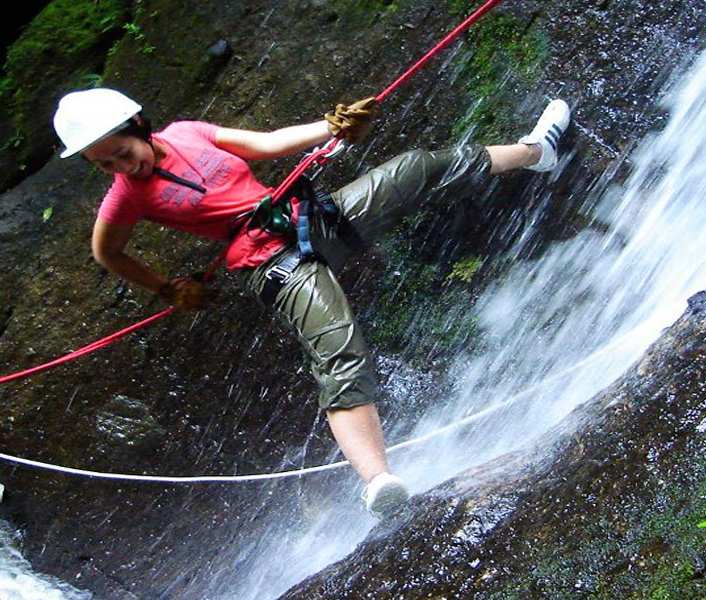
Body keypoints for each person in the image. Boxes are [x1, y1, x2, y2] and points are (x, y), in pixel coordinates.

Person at [52, 87, 570, 517]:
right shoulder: (127, 196)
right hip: (269, 263)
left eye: (123, 152)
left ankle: (534, 153)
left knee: (414, 167)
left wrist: (331, 128)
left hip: (311, 219)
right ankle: (378, 482)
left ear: (139, 126)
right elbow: (108, 252)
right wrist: (165, 287)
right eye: (106, 165)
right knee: (339, 350)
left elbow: (272, 144)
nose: (124, 167)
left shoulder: (189, 133)